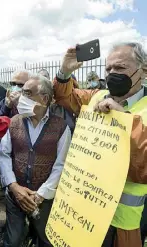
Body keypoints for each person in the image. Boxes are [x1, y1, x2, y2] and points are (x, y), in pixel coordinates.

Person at [53, 42, 147, 247]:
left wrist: (123, 118)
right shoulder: (96, 96)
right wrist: (65, 71)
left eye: (120, 68)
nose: (113, 73)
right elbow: (65, 97)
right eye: (108, 69)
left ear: (144, 71)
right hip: (85, 210)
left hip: (123, 221)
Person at [0, 75, 71, 247]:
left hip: (45, 199)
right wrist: (14, 187)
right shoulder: (14, 122)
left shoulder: (60, 127)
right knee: (12, 240)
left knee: (46, 239)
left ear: (44, 99)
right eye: (22, 93)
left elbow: (61, 164)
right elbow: (3, 155)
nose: (22, 98)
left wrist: (41, 194)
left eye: (28, 93)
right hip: (15, 195)